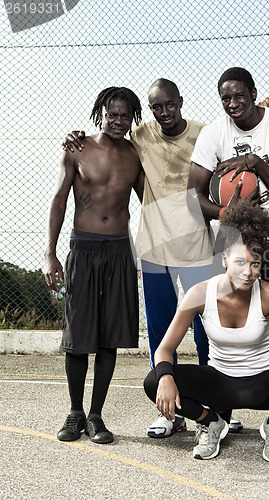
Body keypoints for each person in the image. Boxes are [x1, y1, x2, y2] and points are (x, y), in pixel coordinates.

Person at [62, 79, 214, 439]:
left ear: (180, 102)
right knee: (160, 331)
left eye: (168, 105)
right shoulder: (136, 136)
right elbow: (95, 152)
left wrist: (264, 115)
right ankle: (168, 412)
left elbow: (238, 134)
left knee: (207, 326)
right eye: (156, 107)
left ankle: (213, 405)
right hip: (152, 247)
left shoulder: (204, 133)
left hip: (197, 244)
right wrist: (73, 137)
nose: (164, 112)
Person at [143, 202, 269, 462]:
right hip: (219, 383)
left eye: (255, 264)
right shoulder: (200, 293)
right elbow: (165, 348)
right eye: (240, 262)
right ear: (224, 259)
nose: (248, 272)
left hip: (265, 381)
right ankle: (210, 422)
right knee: (154, 381)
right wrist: (166, 377)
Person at [188, 67, 269, 433]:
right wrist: (229, 211)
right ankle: (220, 415)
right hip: (231, 243)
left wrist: (256, 164)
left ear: (254, 93)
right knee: (221, 327)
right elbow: (193, 198)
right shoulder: (213, 133)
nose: (233, 103)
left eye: (239, 95)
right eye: (226, 98)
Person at [44, 87, 144, 444]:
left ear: (133, 117)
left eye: (124, 115)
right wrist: (50, 253)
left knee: (109, 337)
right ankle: (74, 412)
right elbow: (58, 200)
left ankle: (96, 416)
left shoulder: (135, 154)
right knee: (77, 337)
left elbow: (152, 198)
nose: (117, 121)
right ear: (100, 111)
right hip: (83, 248)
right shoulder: (77, 148)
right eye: (111, 113)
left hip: (118, 250)